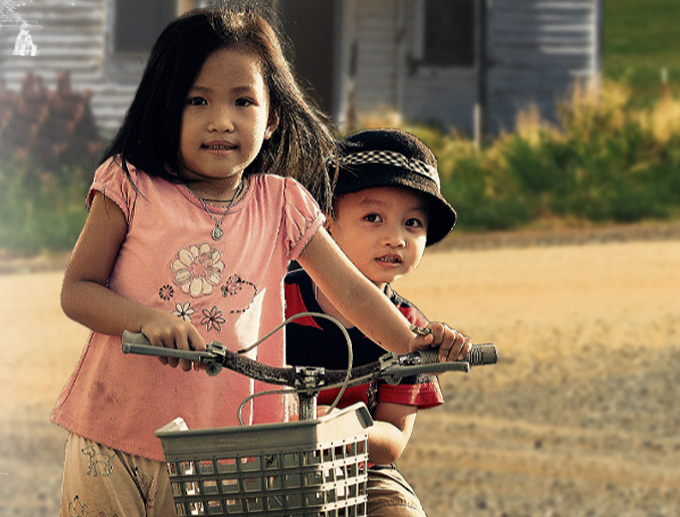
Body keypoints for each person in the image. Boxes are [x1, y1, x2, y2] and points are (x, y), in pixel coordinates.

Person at [50, 8, 465, 516]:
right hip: (112, 435)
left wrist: (417, 344)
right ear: (164, 109)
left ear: (270, 120)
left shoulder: (282, 202)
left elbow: (352, 292)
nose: (221, 120)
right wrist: (149, 320)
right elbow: (79, 290)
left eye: (243, 101)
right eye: (196, 100)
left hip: (227, 452)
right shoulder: (129, 183)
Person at [285, 128, 471, 516]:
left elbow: (392, 438)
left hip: (363, 470)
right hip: (272, 460)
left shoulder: (409, 329)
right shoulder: (277, 299)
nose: (396, 238)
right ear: (327, 220)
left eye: (412, 224)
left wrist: (336, 427)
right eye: (373, 217)